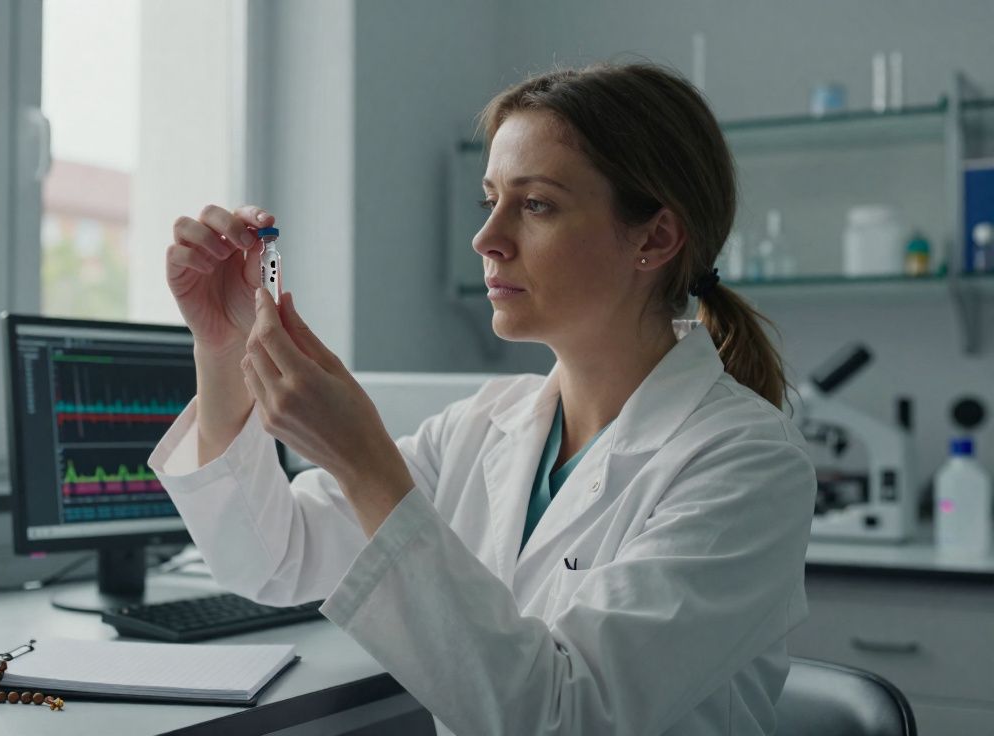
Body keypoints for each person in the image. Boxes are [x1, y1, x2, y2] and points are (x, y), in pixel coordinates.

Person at [149, 62, 814, 735]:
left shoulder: (747, 463)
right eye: (488, 199)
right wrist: (223, 347)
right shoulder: (481, 428)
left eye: (536, 204)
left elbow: (564, 717)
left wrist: (365, 464)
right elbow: (271, 560)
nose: (486, 238)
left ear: (654, 238)